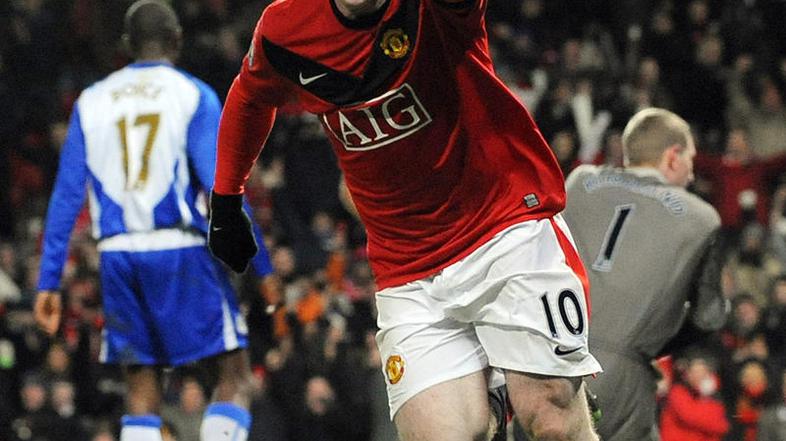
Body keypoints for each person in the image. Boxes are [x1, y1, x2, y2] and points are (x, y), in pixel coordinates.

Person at [208, 0, 602, 440]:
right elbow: (250, 96)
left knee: (552, 420)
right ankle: (492, 394)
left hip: (503, 231)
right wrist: (226, 198)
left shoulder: (431, 10)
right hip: (408, 270)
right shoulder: (285, 29)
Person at [32, 1, 272, 440]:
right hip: (178, 247)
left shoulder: (91, 101)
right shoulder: (192, 94)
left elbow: (66, 197)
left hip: (117, 255)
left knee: (141, 389)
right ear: (177, 40)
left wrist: (48, 282)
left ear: (127, 45)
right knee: (234, 375)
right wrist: (264, 268)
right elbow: (223, 188)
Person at [563, 108, 728, 440]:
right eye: (691, 160)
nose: (692, 175)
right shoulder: (702, 218)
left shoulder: (579, 182)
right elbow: (708, 318)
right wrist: (649, 346)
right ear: (673, 156)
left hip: (551, 358)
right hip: (623, 379)